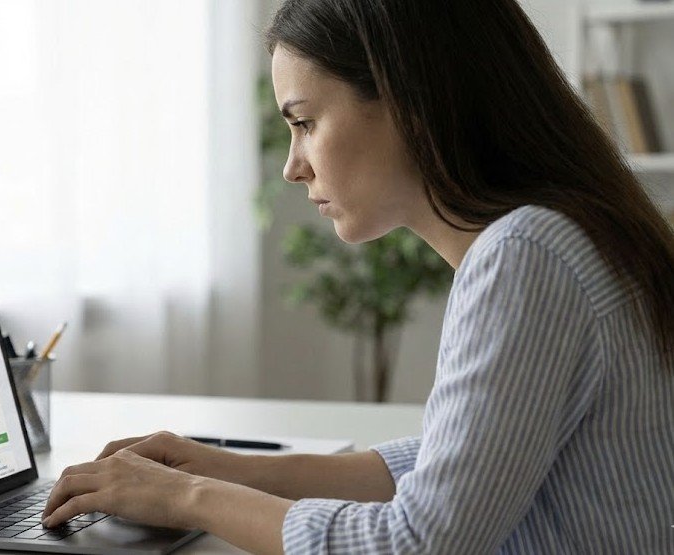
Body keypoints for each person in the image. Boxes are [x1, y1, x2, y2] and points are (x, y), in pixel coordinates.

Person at [41, 0, 674, 552]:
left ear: (410, 100)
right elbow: (458, 465)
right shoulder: (562, 235)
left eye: (305, 123)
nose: (293, 166)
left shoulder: (526, 255)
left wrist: (189, 497)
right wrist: (228, 469)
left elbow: (418, 542)